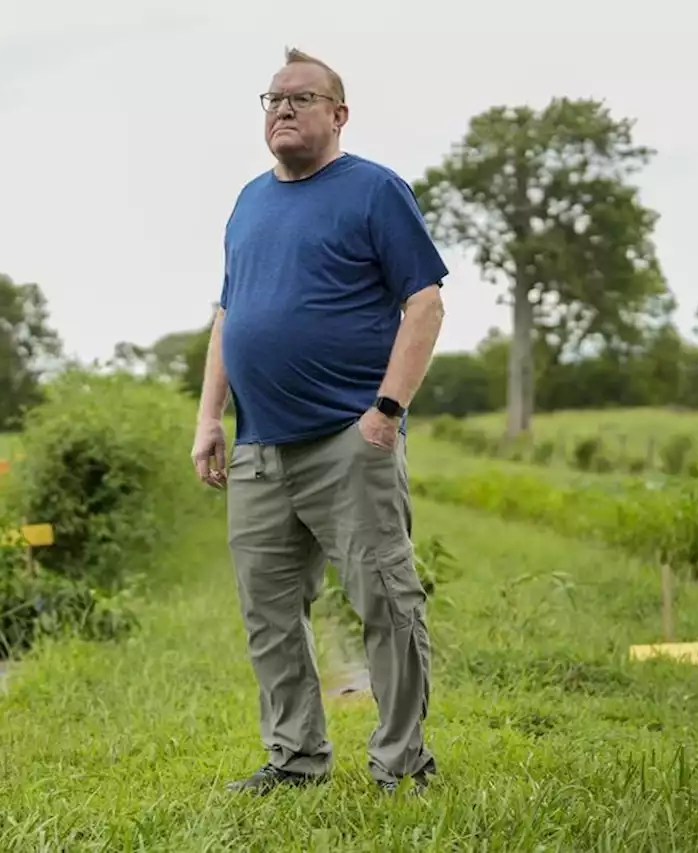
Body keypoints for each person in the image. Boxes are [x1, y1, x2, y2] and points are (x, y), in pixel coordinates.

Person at [191, 47, 448, 796]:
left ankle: (403, 764)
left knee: (387, 606)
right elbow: (228, 314)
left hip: (348, 438)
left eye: (301, 99)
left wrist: (386, 412)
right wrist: (210, 415)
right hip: (259, 448)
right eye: (272, 99)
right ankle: (295, 760)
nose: (283, 109)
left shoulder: (373, 190)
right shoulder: (248, 201)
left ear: (338, 114)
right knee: (269, 617)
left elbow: (424, 304)